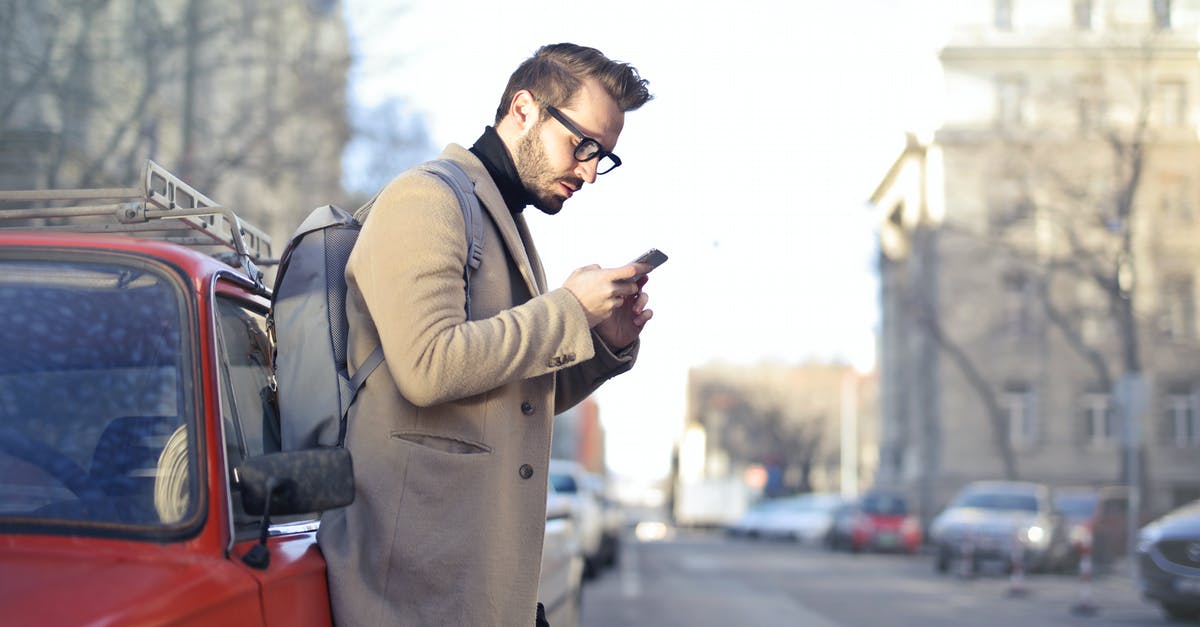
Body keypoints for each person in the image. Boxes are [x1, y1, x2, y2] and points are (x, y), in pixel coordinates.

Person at [318, 43, 654, 626]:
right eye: (583, 144)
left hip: (476, 584)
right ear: (524, 109)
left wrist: (603, 344)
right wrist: (569, 309)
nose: (591, 172)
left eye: (605, 158)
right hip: (411, 591)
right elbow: (429, 366)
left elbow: (512, 399)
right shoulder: (427, 198)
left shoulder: (506, 225)